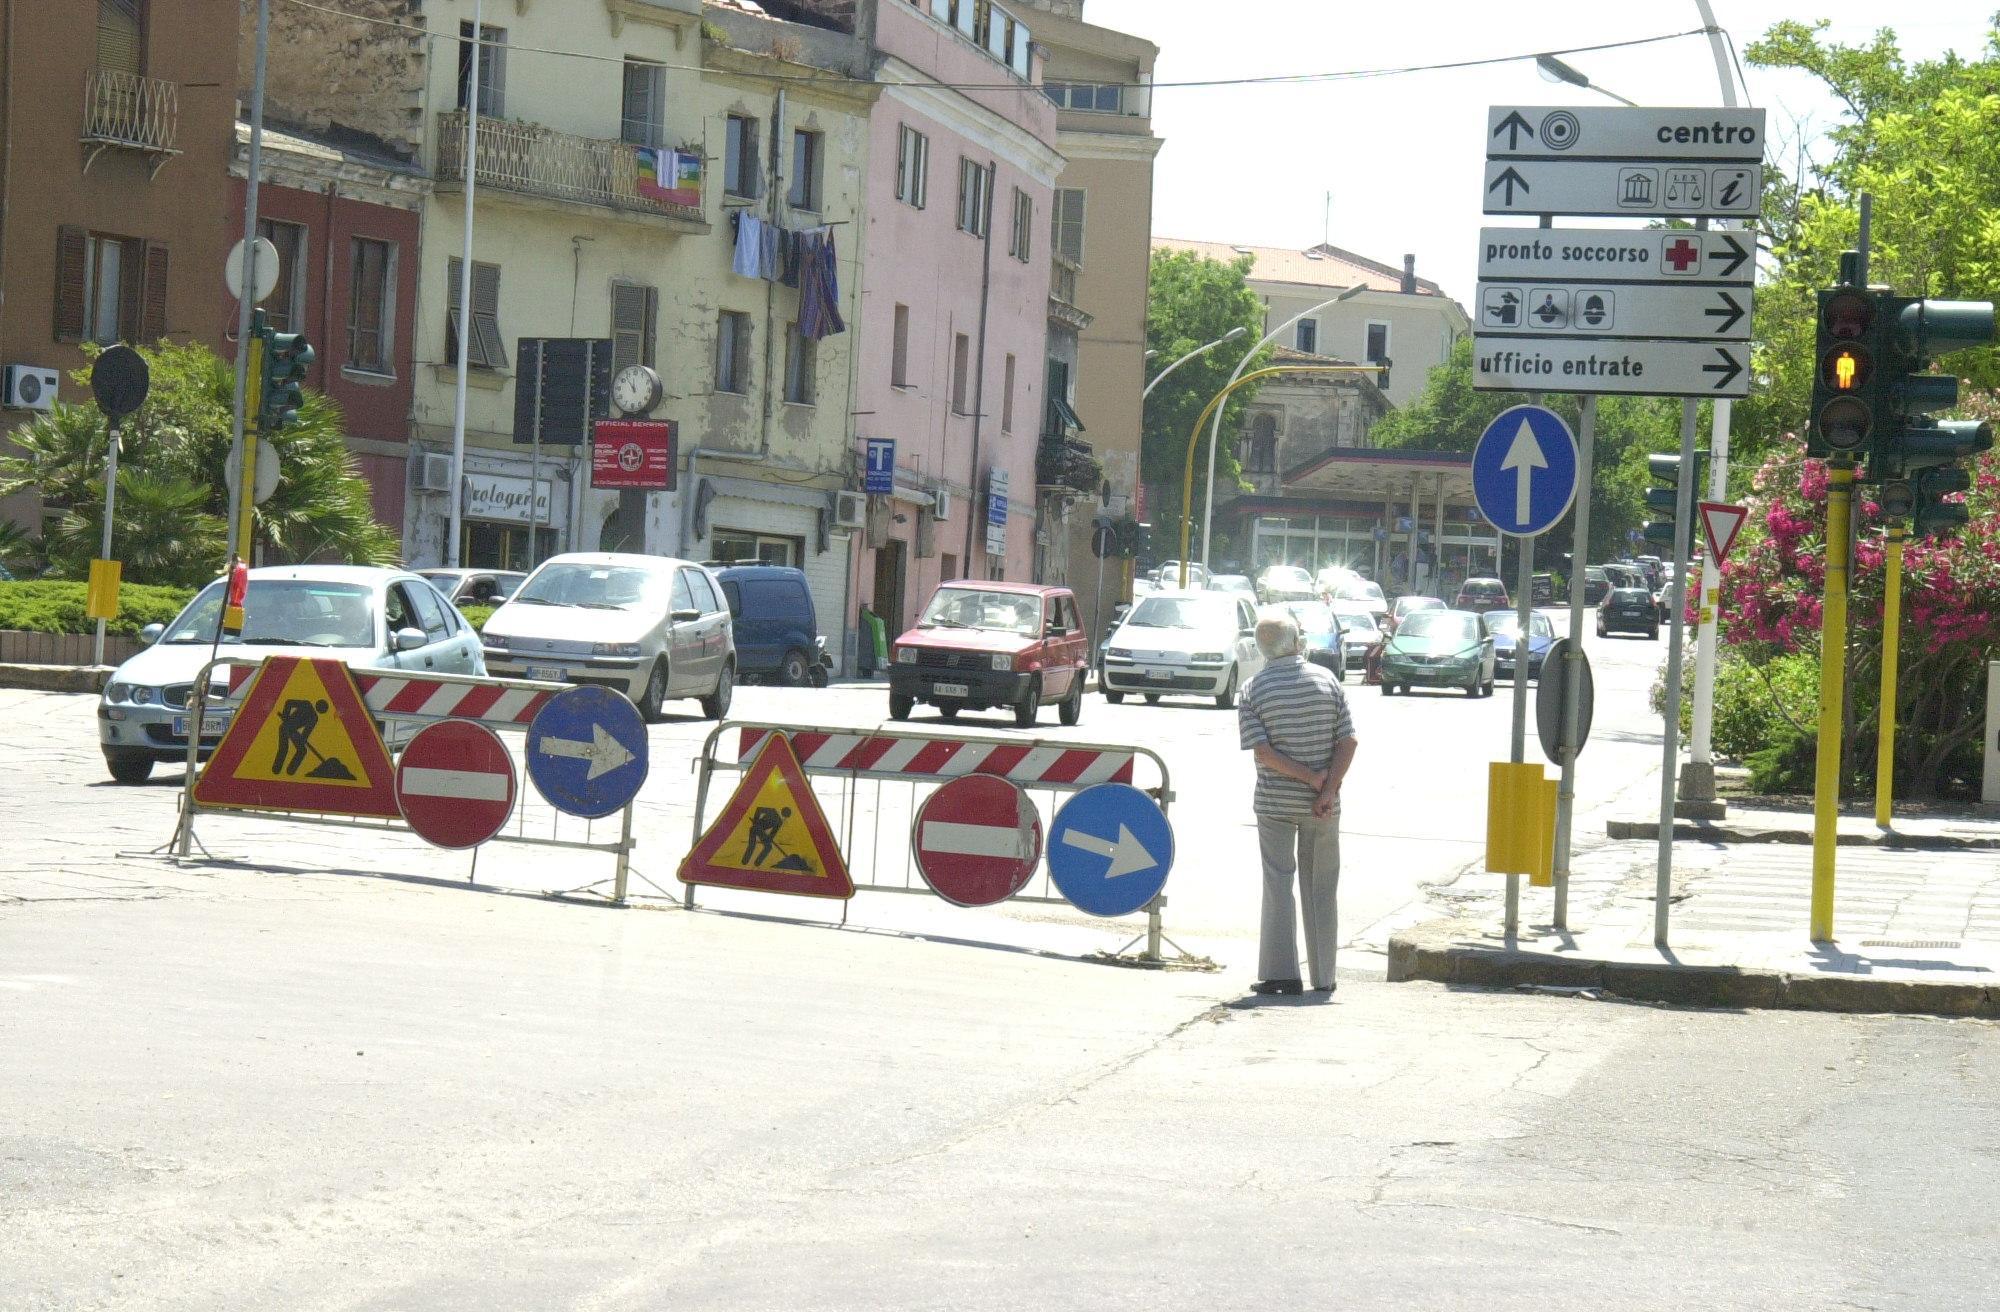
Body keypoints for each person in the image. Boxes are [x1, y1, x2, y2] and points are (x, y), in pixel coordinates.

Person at [1237, 608, 1358, 996]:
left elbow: (1263, 753)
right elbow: (1348, 740)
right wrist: (1325, 789)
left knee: (1278, 884)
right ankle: (1324, 977)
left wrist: (1308, 777)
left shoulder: (1253, 690)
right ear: (1296, 643)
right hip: (1323, 806)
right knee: (1322, 888)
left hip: (1274, 804)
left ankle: (1281, 974)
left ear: (1262, 649)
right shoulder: (1328, 681)